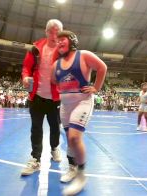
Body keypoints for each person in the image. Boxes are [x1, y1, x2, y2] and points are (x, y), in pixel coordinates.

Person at [52, 30, 107, 195]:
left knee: (75, 138)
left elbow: (102, 67)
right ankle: (72, 167)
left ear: (72, 41)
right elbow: (54, 80)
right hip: (65, 105)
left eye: (63, 40)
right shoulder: (56, 64)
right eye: (57, 41)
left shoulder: (84, 55)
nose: (59, 43)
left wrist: (96, 87)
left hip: (82, 102)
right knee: (69, 140)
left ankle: (82, 175)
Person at [21, 19, 63, 176]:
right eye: (51, 31)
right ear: (46, 32)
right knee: (36, 129)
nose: (54, 35)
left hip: (55, 99)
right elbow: (26, 67)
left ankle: (54, 148)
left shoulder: (64, 50)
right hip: (36, 97)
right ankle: (35, 159)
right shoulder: (36, 47)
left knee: (55, 128)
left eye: (57, 31)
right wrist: (25, 78)